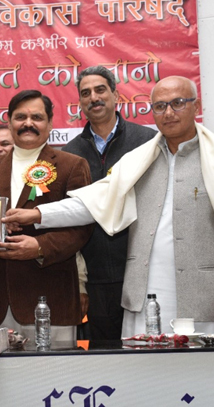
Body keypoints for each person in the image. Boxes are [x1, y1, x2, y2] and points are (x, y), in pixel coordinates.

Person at [4, 77, 214, 336]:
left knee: (205, 382)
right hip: (146, 295)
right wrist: (38, 214)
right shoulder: (139, 159)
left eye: (177, 103)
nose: (169, 113)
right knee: (145, 379)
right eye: (160, 106)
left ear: (196, 106)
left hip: (208, 301)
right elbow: (94, 203)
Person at [0, 90, 93, 344]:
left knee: (55, 381)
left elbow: (82, 227)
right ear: (10, 121)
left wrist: (39, 247)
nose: (28, 123)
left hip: (51, 302)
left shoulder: (72, 165)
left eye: (37, 117)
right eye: (20, 117)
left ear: (50, 123)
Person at [61, 66, 157, 340]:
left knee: (147, 351)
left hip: (143, 271)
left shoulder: (147, 142)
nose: (94, 98)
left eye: (100, 90)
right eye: (85, 93)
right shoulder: (70, 154)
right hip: (96, 277)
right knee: (105, 357)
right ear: (80, 103)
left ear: (116, 95)